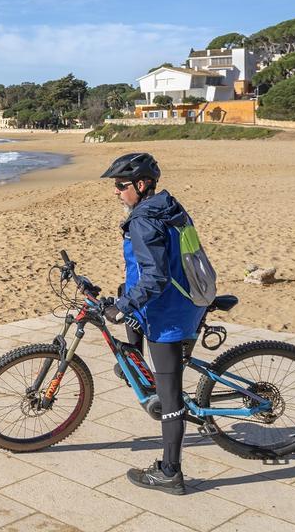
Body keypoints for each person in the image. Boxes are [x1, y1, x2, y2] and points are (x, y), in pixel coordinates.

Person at [100, 152, 206, 495]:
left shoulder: (144, 221)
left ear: (142, 184)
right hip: (180, 301)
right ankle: (134, 363)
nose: (116, 192)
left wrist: (123, 306)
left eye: (121, 185)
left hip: (169, 315)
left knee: (170, 397)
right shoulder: (167, 206)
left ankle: (170, 473)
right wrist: (126, 297)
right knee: (125, 300)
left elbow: (156, 277)